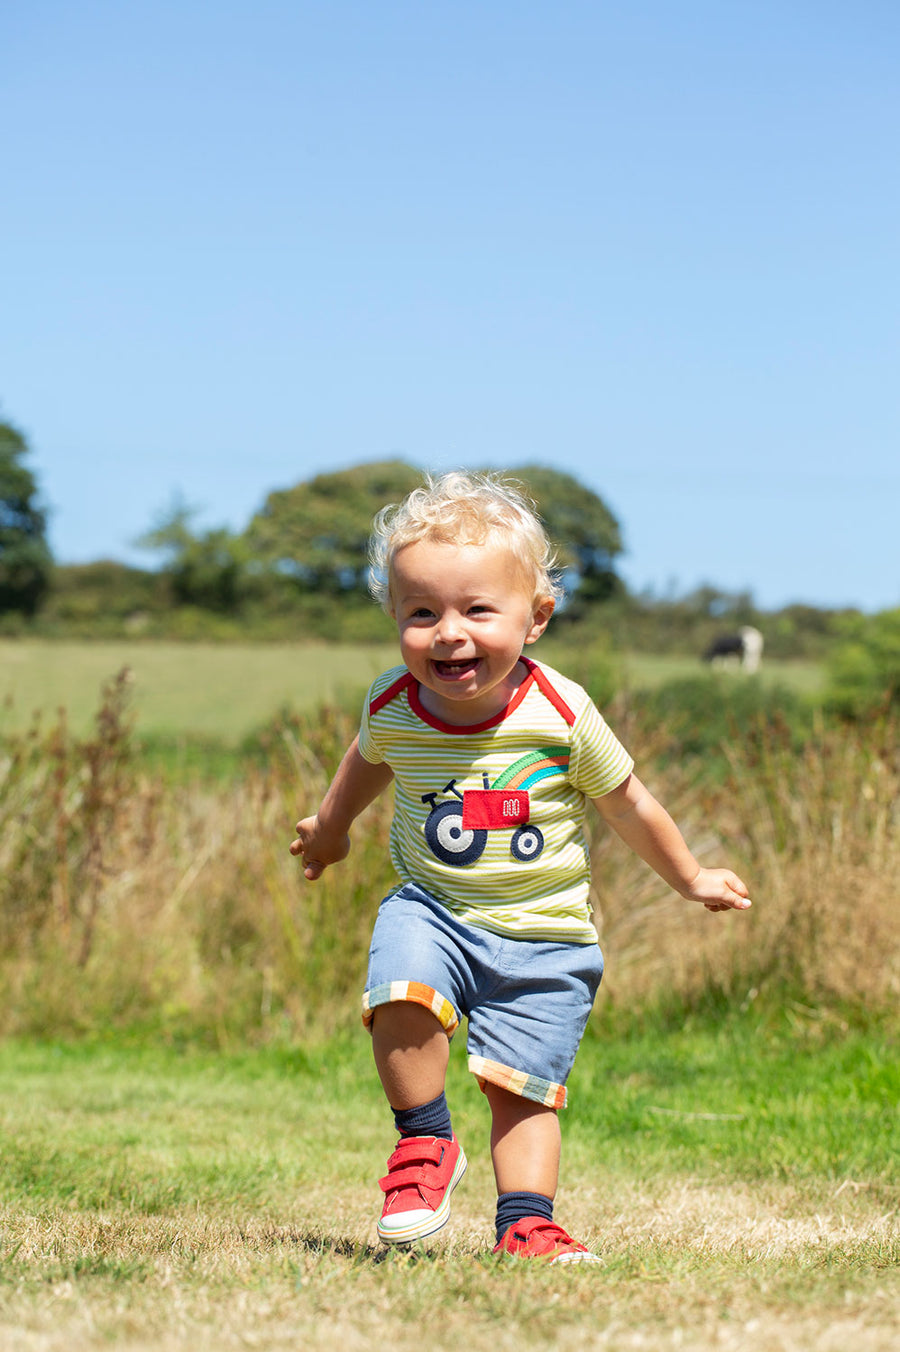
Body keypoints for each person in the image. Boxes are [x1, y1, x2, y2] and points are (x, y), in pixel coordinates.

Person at [291, 471, 751, 1264]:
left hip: (547, 934)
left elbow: (629, 804)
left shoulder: (562, 713)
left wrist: (691, 878)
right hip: (433, 904)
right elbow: (366, 764)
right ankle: (425, 1144)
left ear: (535, 618)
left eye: (477, 610)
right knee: (400, 992)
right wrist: (330, 831)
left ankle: (527, 1223)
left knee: (523, 1089)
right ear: (395, 617)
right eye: (421, 612)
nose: (448, 633)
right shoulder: (394, 704)